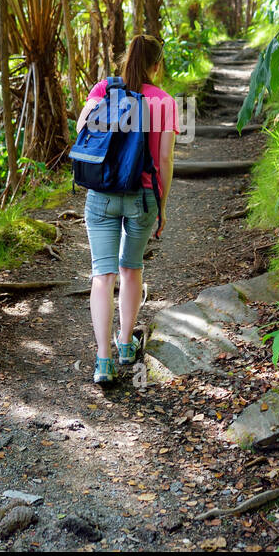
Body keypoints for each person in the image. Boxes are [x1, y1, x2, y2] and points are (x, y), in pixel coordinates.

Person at [75, 33, 178, 385]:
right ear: (156, 65)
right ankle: (124, 344)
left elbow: (81, 132)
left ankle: (102, 362)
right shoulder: (164, 102)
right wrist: (162, 207)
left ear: (125, 60)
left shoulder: (102, 89)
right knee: (131, 269)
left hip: (101, 193)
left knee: (102, 276)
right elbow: (164, 159)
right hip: (143, 196)